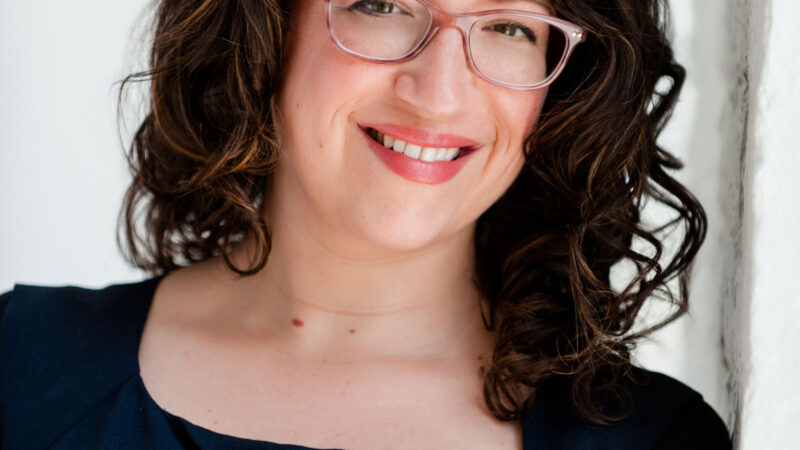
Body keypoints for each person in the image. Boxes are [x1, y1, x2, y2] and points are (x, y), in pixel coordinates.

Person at [1, 0, 732, 448]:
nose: (438, 95)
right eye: (382, 5)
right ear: (266, 27)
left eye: (509, 25)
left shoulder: (651, 440)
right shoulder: (20, 366)